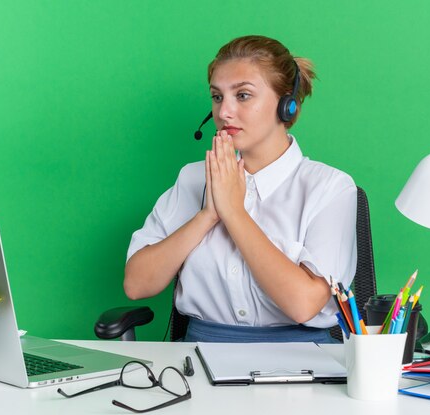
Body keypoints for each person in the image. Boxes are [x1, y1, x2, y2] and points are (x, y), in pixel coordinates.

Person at [124, 35, 357, 343]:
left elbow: (303, 305)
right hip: (199, 358)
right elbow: (137, 285)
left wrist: (233, 211)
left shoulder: (330, 188)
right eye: (217, 97)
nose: (223, 113)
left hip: (302, 363)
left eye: (243, 96)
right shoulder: (194, 179)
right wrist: (207, 215)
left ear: (287, 105)